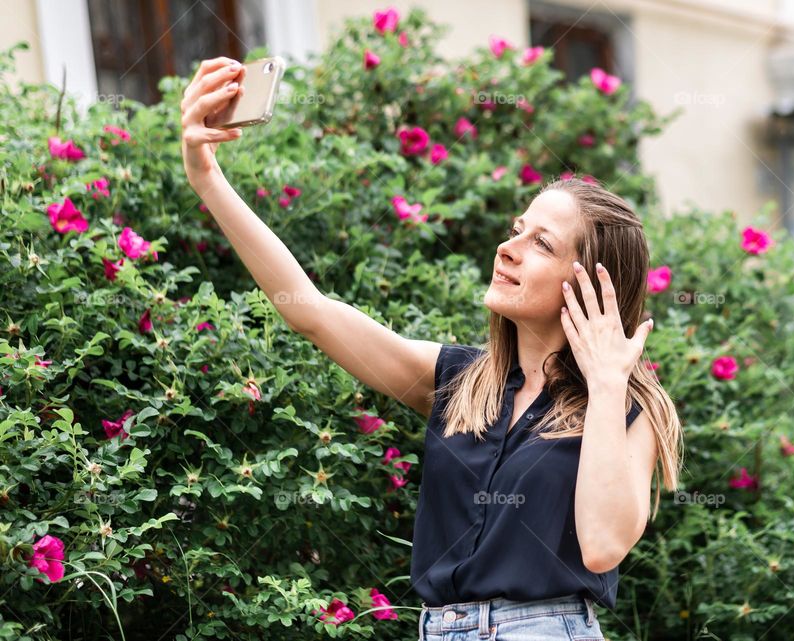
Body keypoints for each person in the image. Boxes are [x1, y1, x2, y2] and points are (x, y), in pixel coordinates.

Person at [180, 56, 683, 641]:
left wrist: (603, 382)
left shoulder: (631, 408)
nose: (509, 247)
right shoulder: (461, 381)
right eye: (517, 229)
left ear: (593, 282)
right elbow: (311, 313)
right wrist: (206, 176)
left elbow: (601, 547)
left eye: (541, 243)